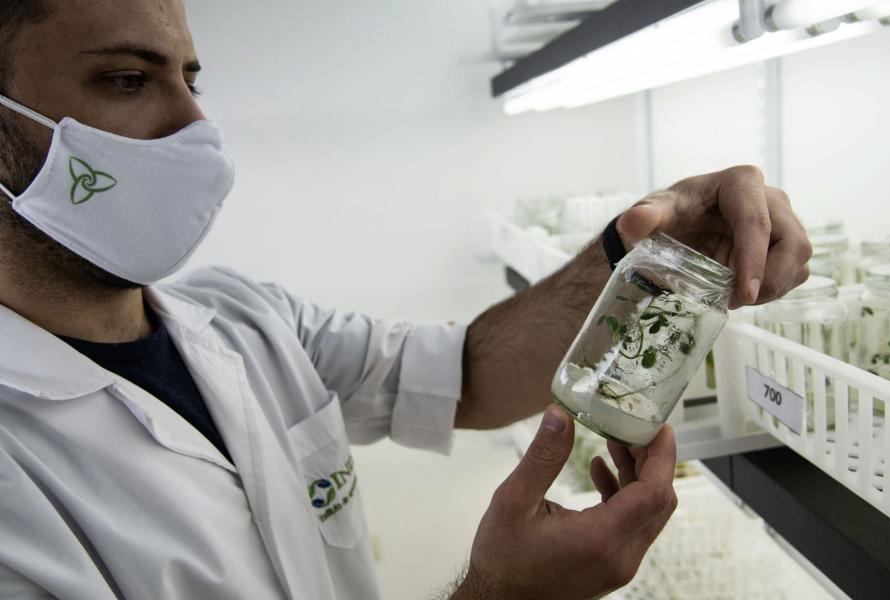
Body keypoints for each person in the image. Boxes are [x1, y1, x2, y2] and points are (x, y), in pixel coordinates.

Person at [0, 1, 812, 598]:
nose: (195, 126)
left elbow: (464, 374)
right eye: (126, 79)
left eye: (191, 78)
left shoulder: (241, 320)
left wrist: (635, 254)